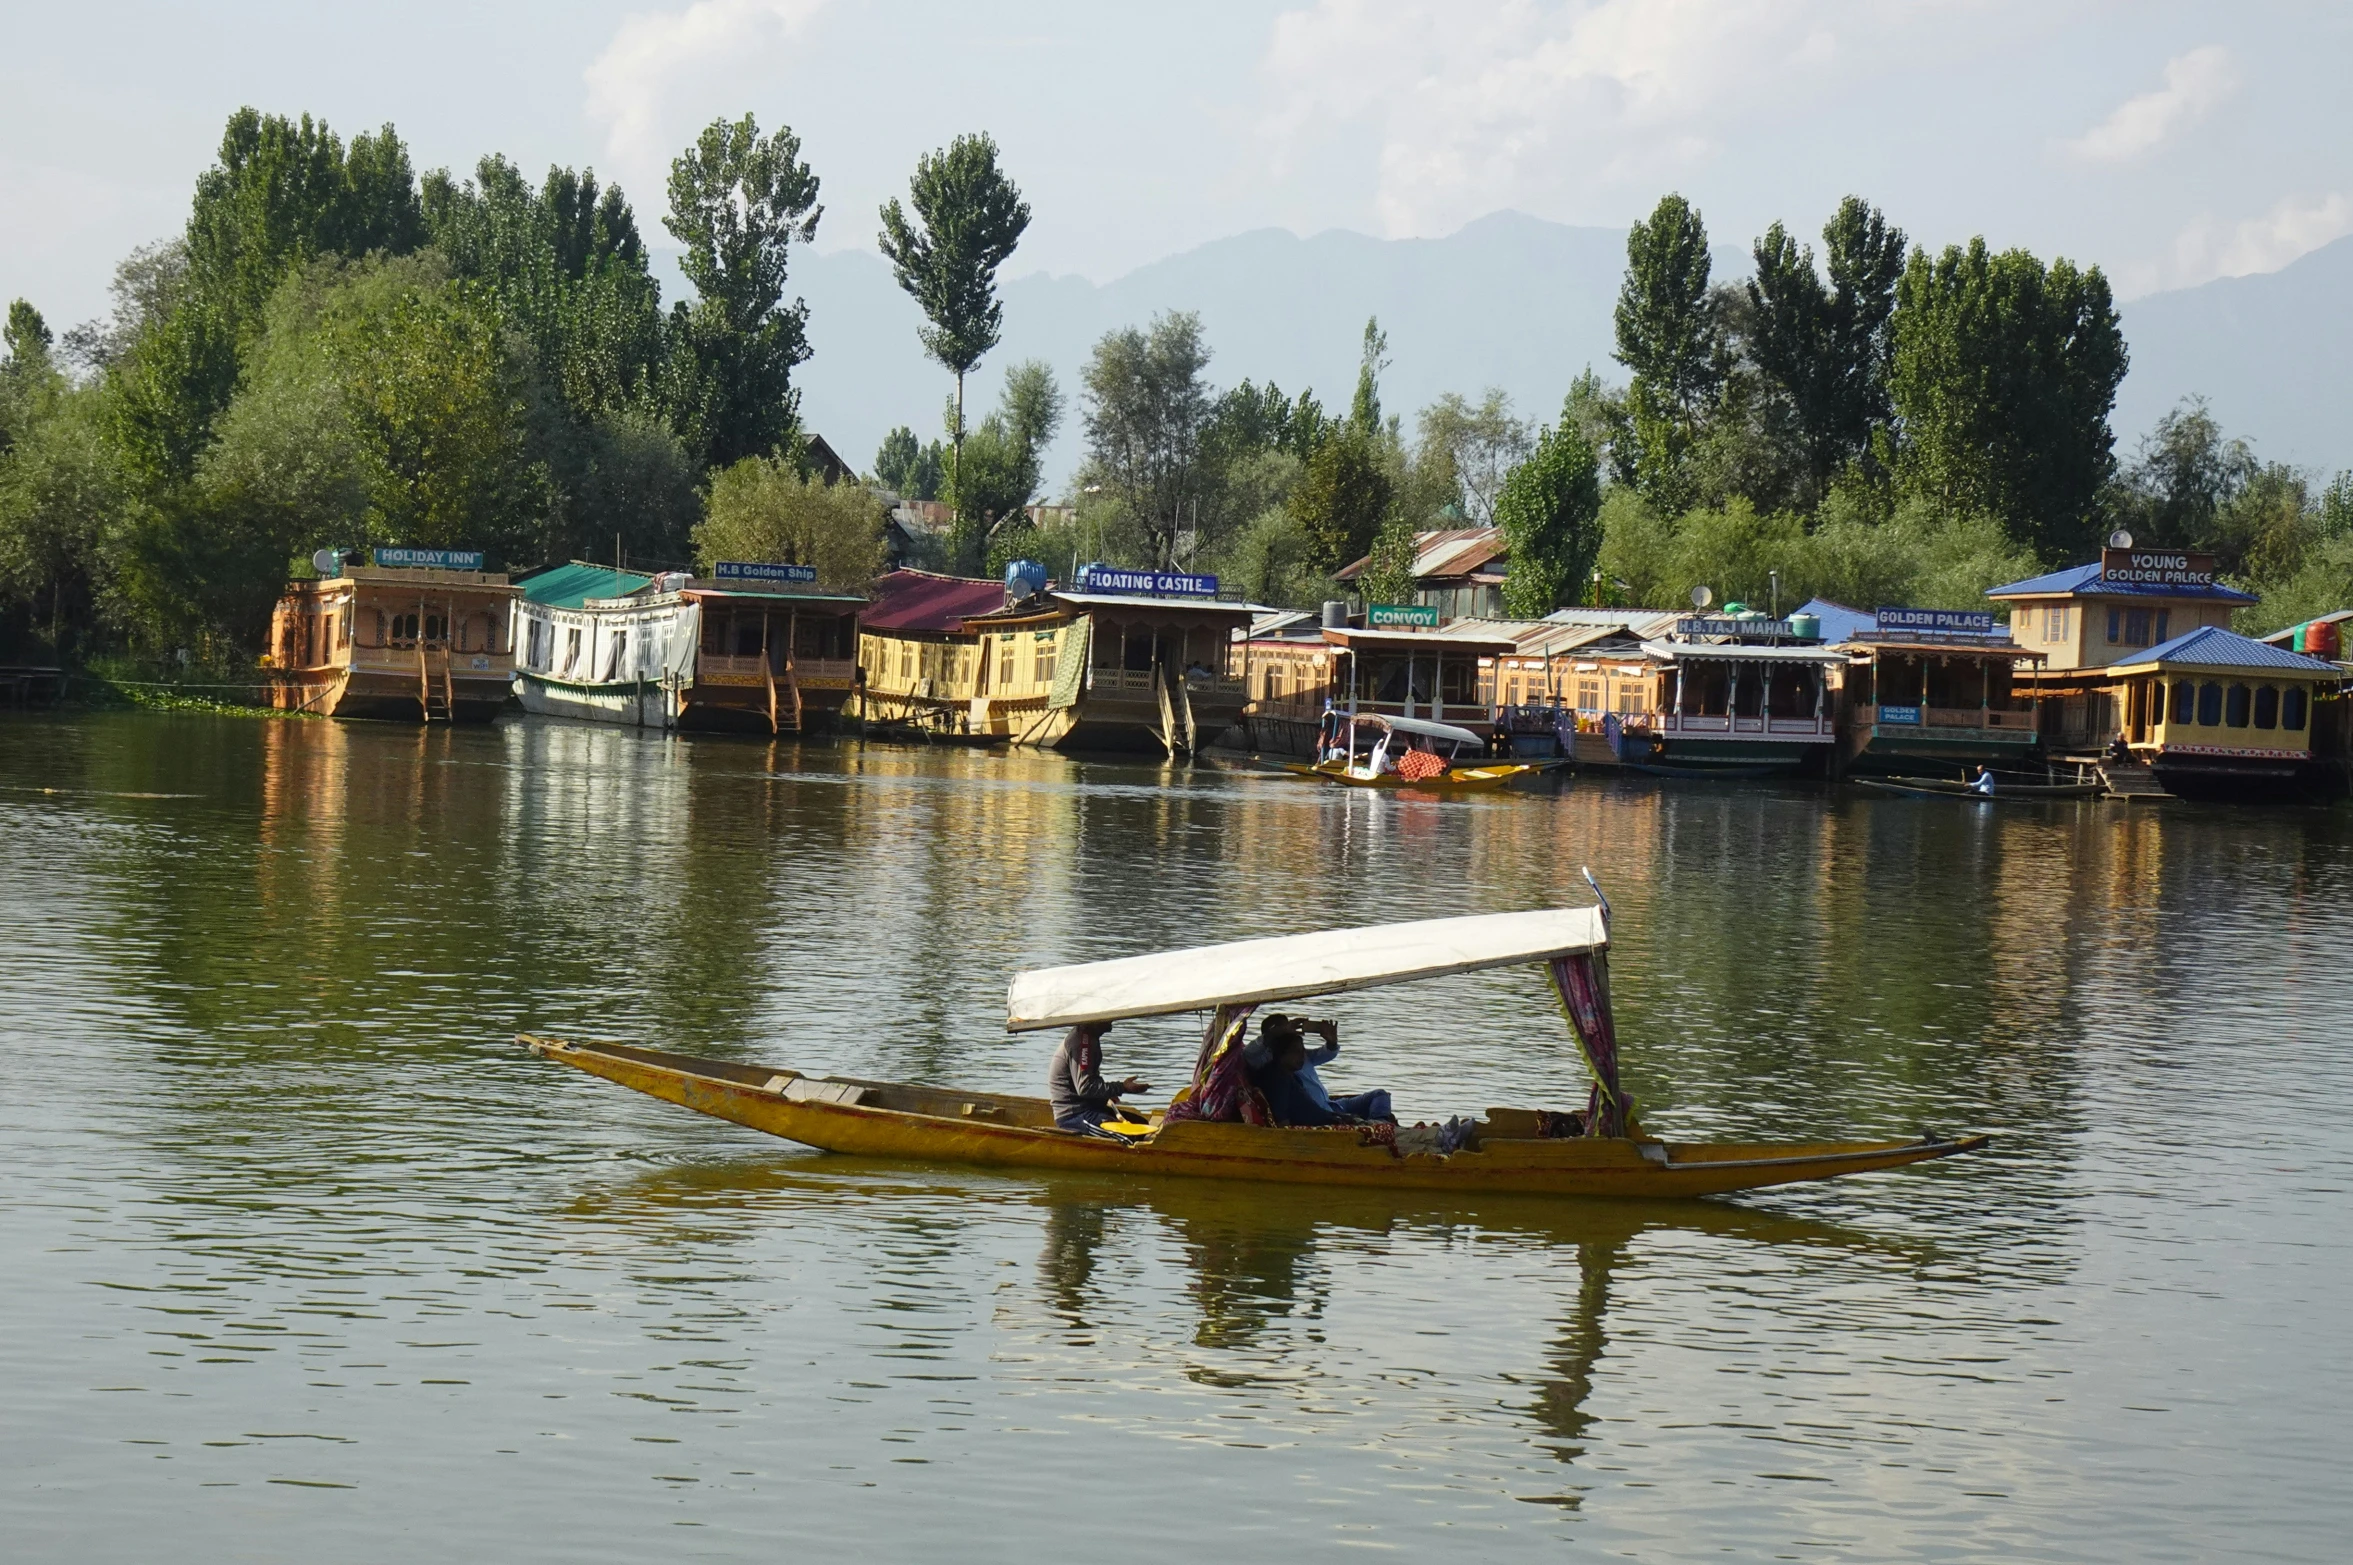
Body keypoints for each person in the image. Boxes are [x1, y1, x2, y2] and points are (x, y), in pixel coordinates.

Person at [1048, 1021, 1151, 1133]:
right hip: (1073, 1115)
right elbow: (1085, 1088)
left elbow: (1087, 1083)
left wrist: (1103, 1096)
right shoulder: (1083, 1042)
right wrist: (1123, 1087)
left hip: (1089, 1108)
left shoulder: (1087, 1037)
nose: (1111, 1020)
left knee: (1141, 1124)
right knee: (1128, 1136)